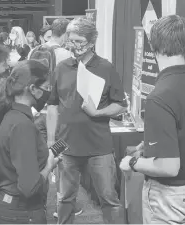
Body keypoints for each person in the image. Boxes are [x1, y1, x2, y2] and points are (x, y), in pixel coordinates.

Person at [119, 15, 185, 224]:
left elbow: (168, 166)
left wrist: (132, 162)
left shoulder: (159, 96)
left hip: (168, 193)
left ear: (151, 43)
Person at [47, 18, 128, 224]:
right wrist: (50, 142)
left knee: (109, 199)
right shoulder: (62, 67)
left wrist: (98, 112)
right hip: (64, 145)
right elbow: (53, 105)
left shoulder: (106, 68)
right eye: (70, 39)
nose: (72, 45)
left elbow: (120, 104)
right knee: (64, 198)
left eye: (78, 40)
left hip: (99, 146)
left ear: (92, 42)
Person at [0, 60, 60, 224]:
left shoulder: (9, 115)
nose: (49, 92)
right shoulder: (22, 125)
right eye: (47, 88)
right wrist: (49, 165)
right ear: (33, 89)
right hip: (21, 211)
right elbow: (29, 187)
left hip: (9, 206)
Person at [32, 18, 83, 219]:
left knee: (39, 161)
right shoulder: (68, 56)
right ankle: (63, 206)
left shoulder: (34, 51)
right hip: (60, 119)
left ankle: (38, 206)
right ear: (65, 34)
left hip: (37, 115)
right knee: (63, 162)